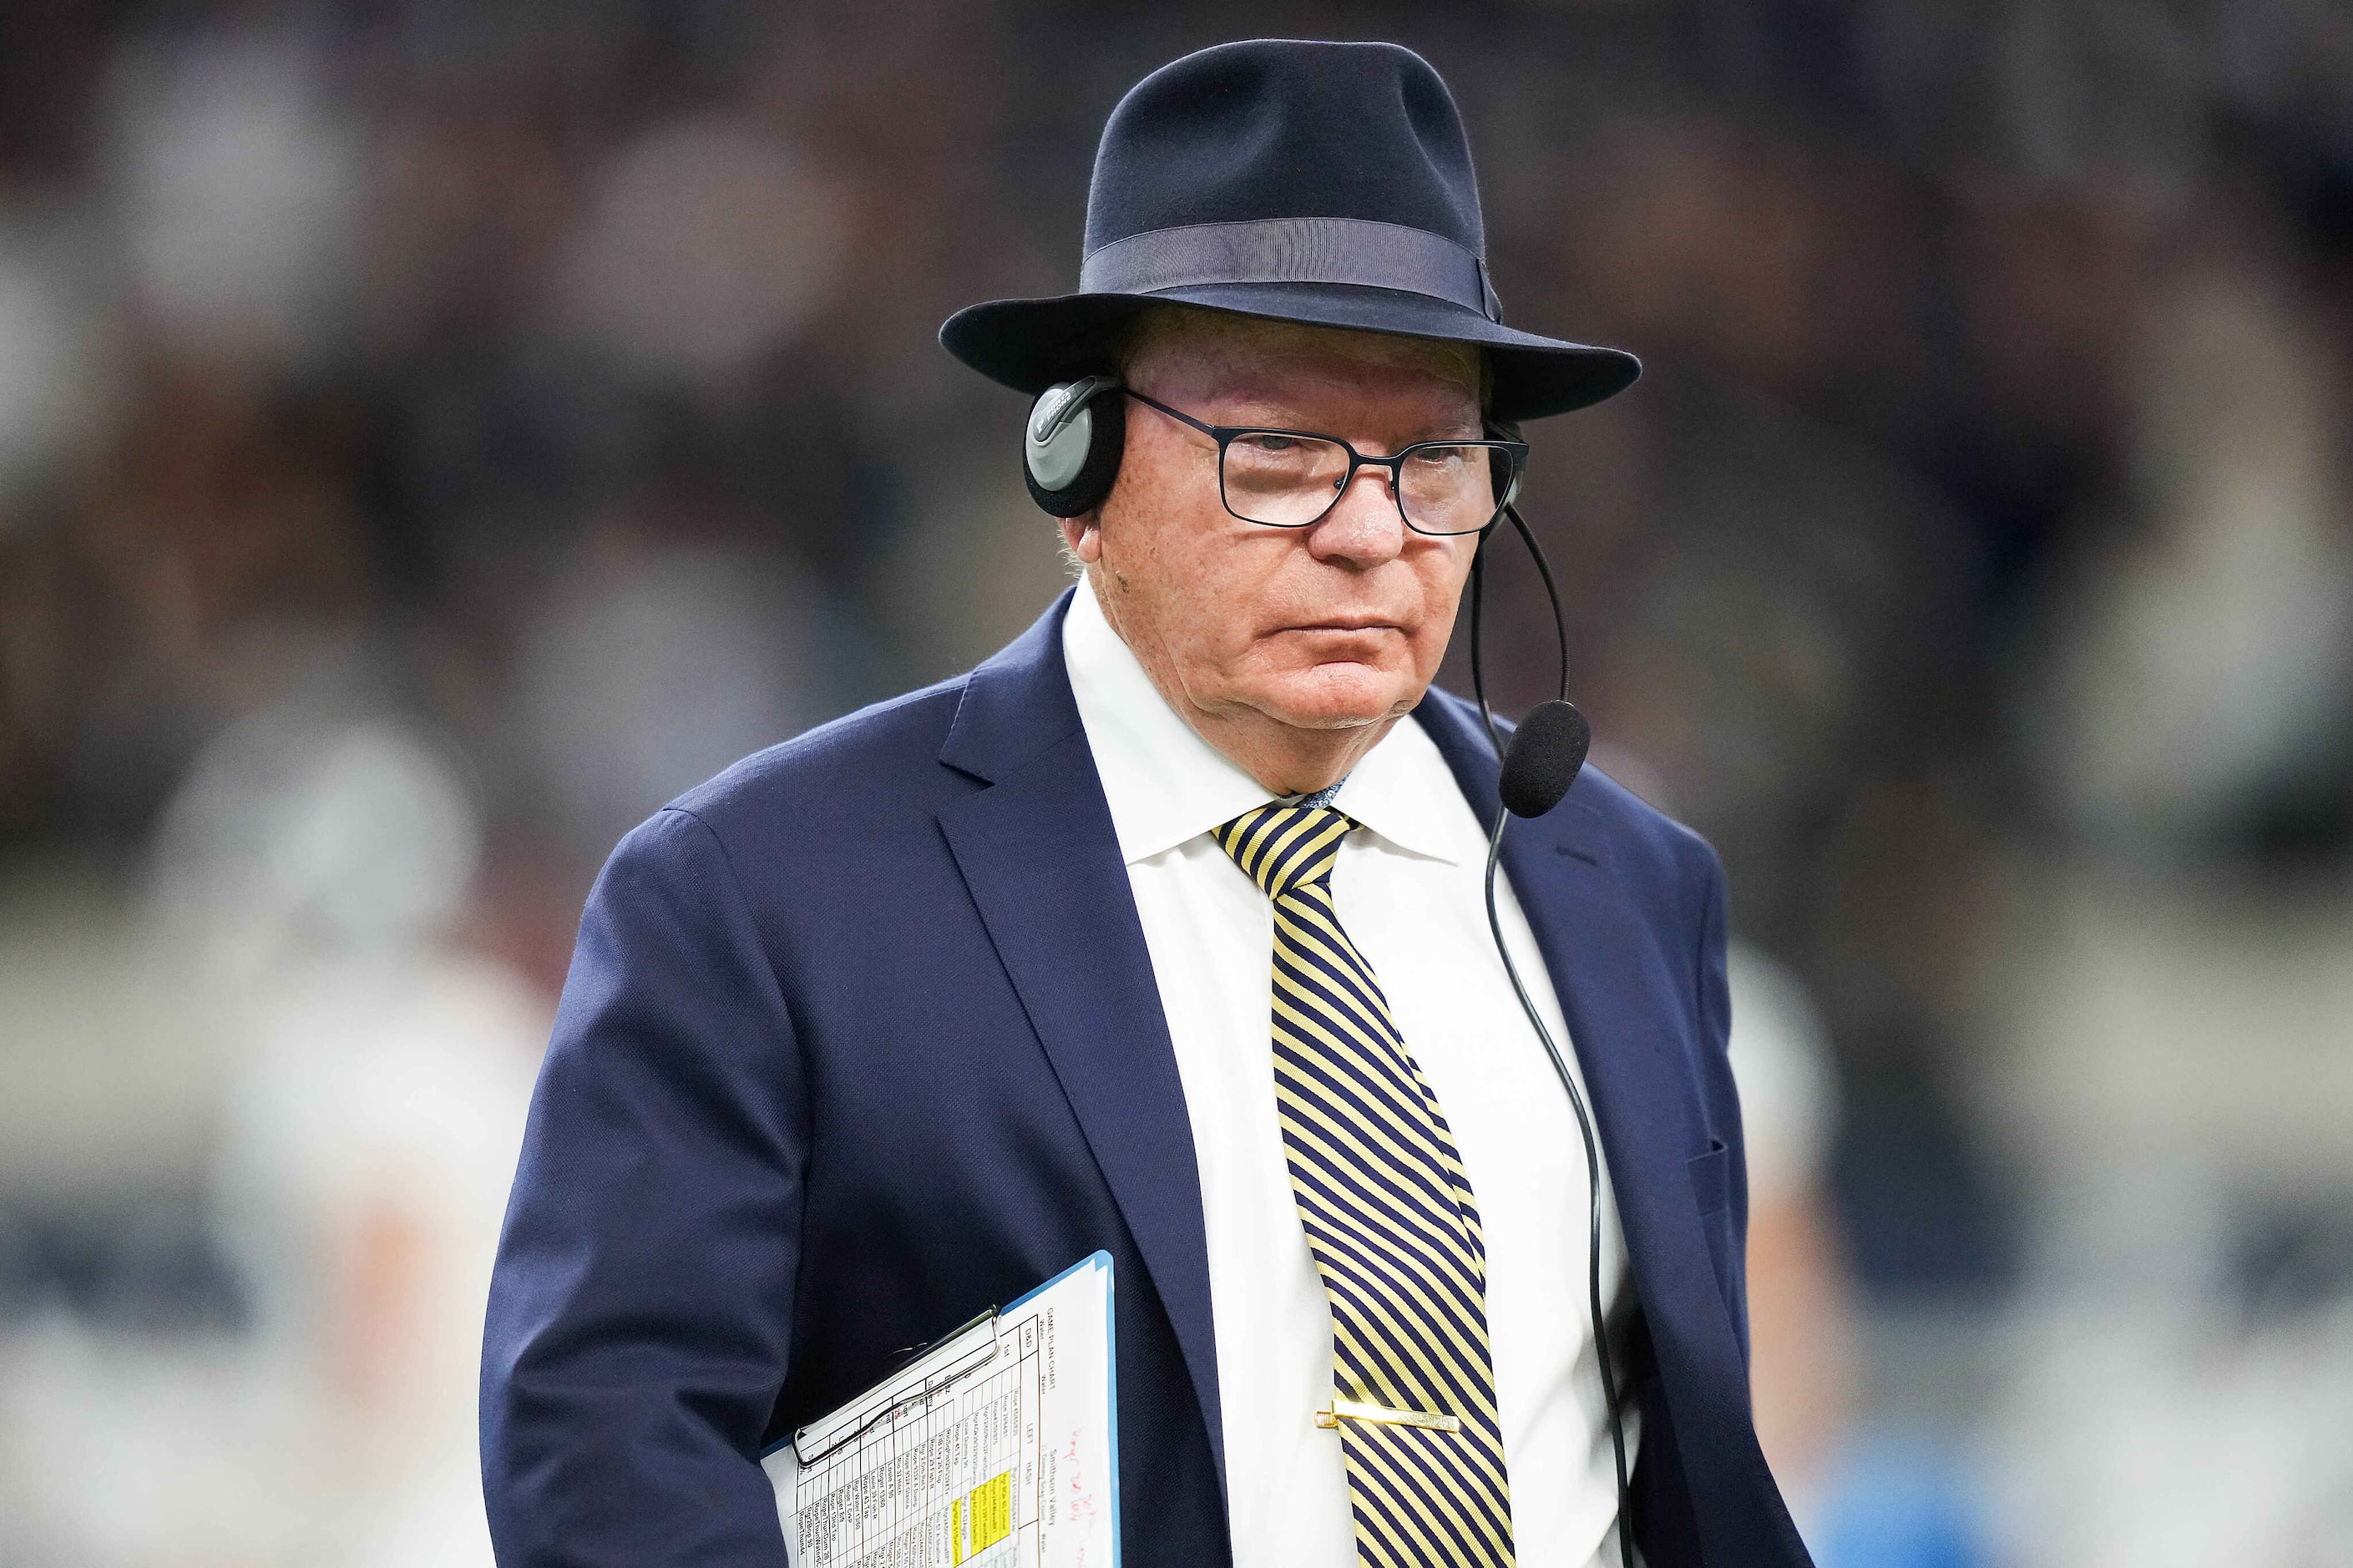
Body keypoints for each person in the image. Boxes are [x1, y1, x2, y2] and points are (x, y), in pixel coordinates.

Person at [482, 38, 1809, 1568]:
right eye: (1283, 455)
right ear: (1083, 472)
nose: (1371, 532)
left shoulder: (1629, 884)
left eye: (1432, 461)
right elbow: (608, 1464)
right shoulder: (759, 897)